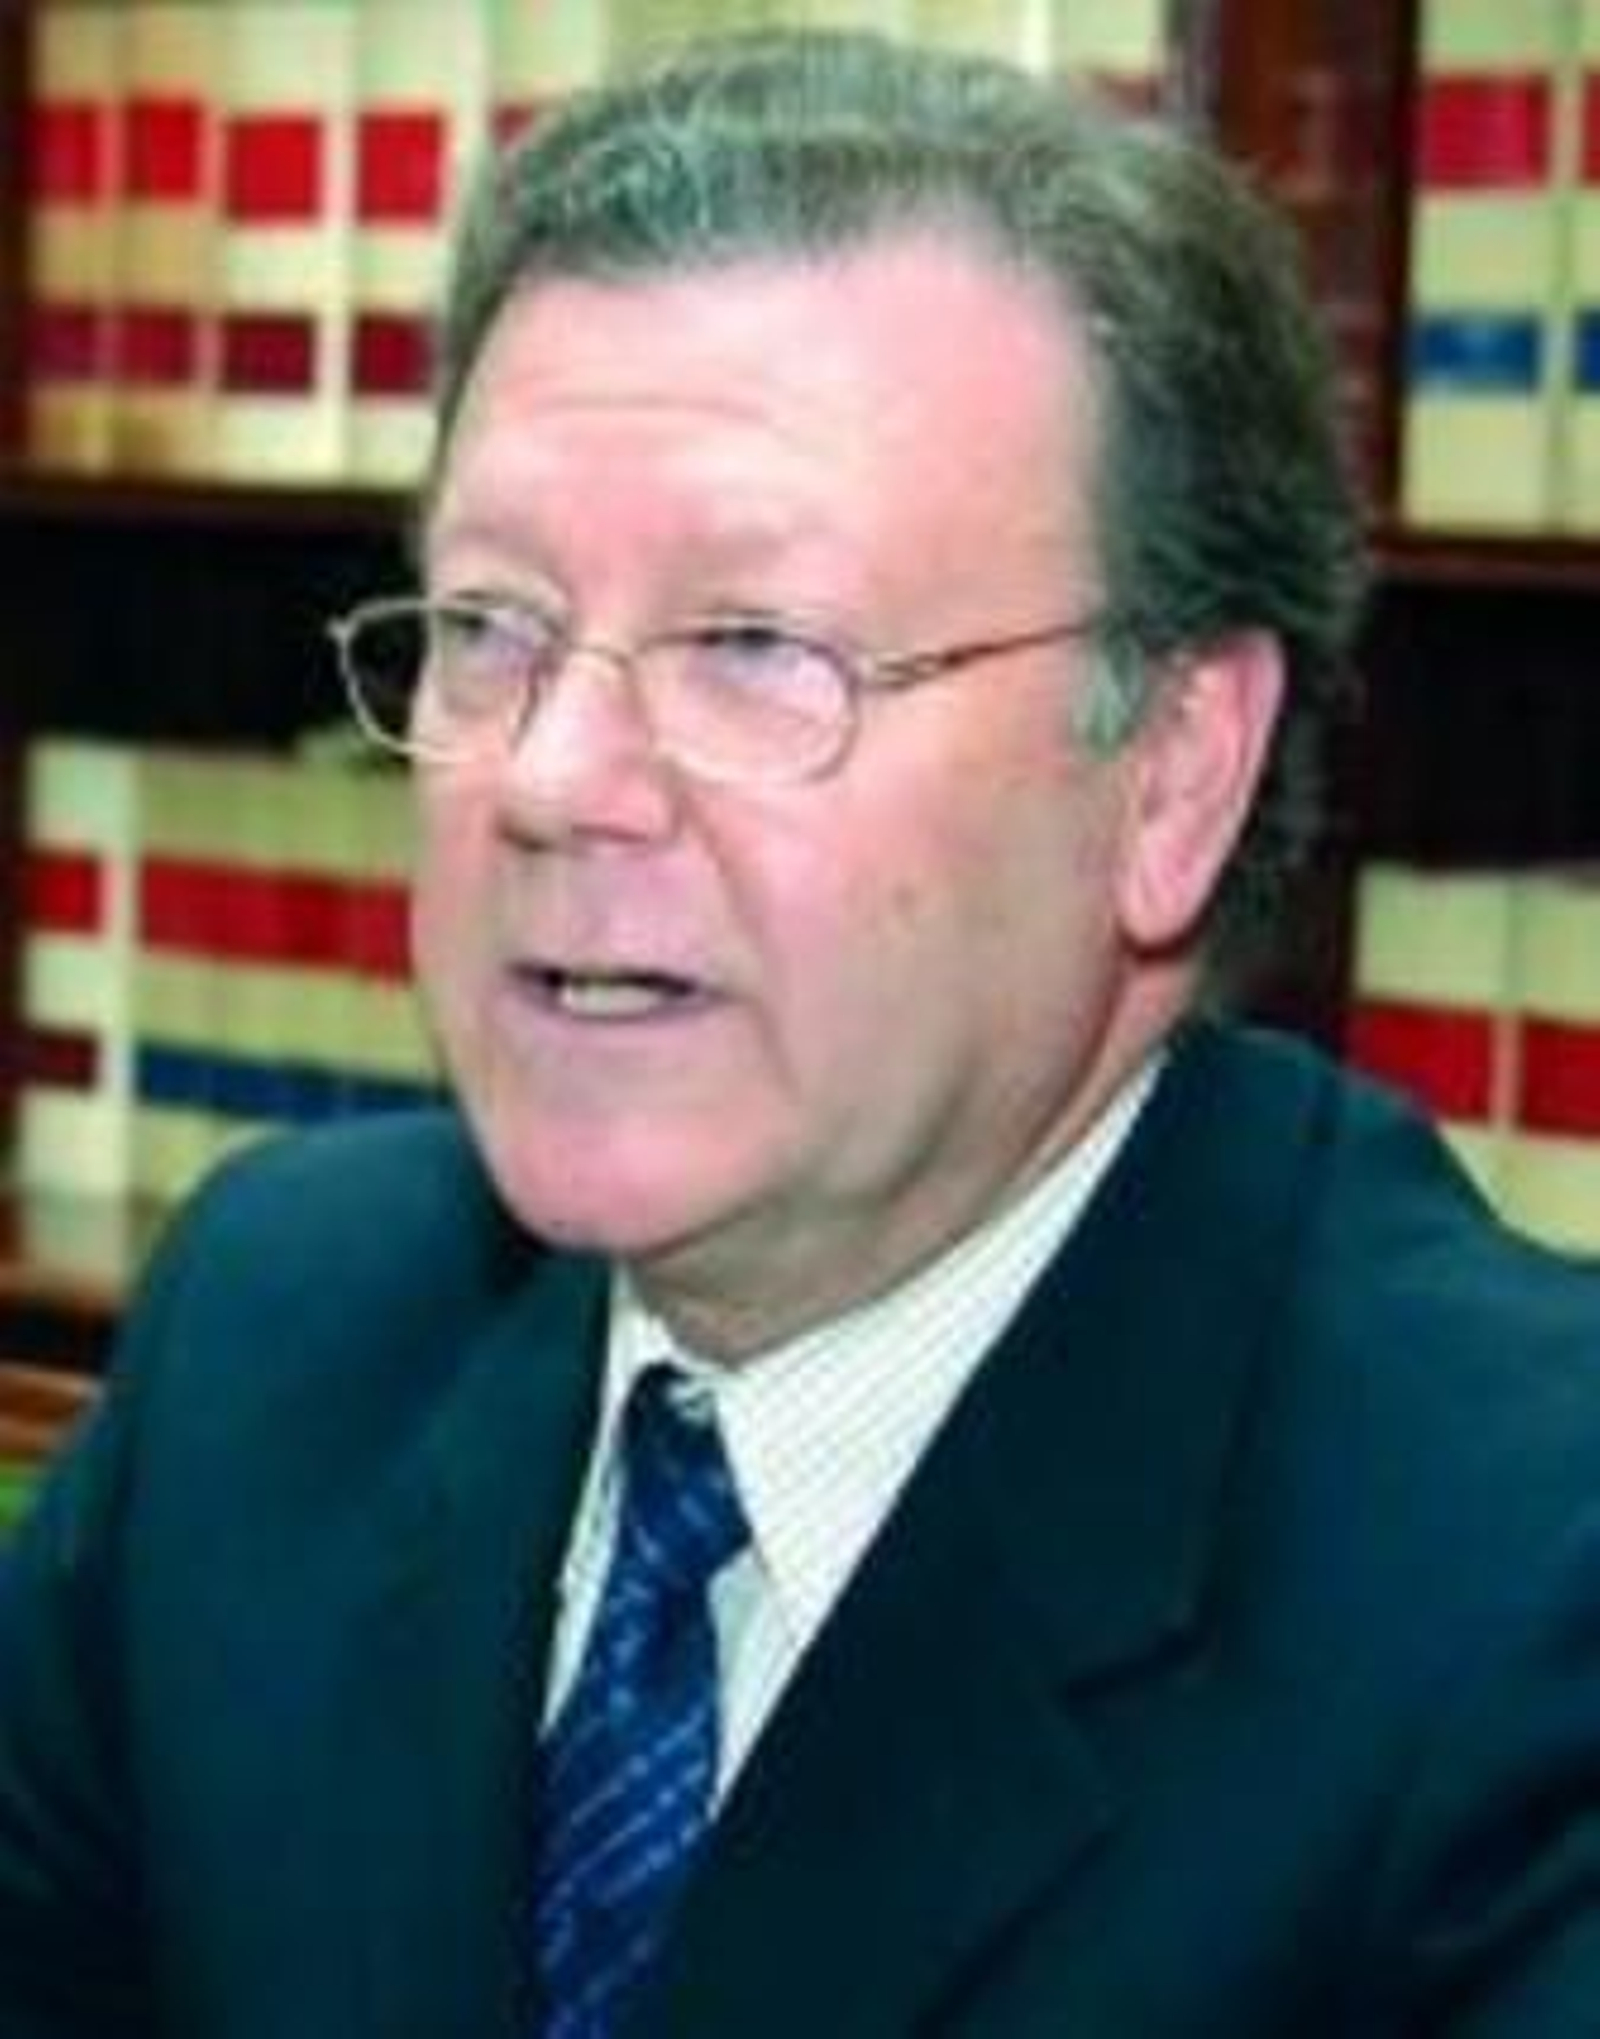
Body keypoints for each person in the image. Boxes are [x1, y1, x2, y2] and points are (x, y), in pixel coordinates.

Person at [3, 26, 1600, 2038]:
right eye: (489, 628)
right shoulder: (276, 1336)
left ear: (1170, 775)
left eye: (754, 647)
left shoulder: (1529, 1581)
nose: (550, 778)